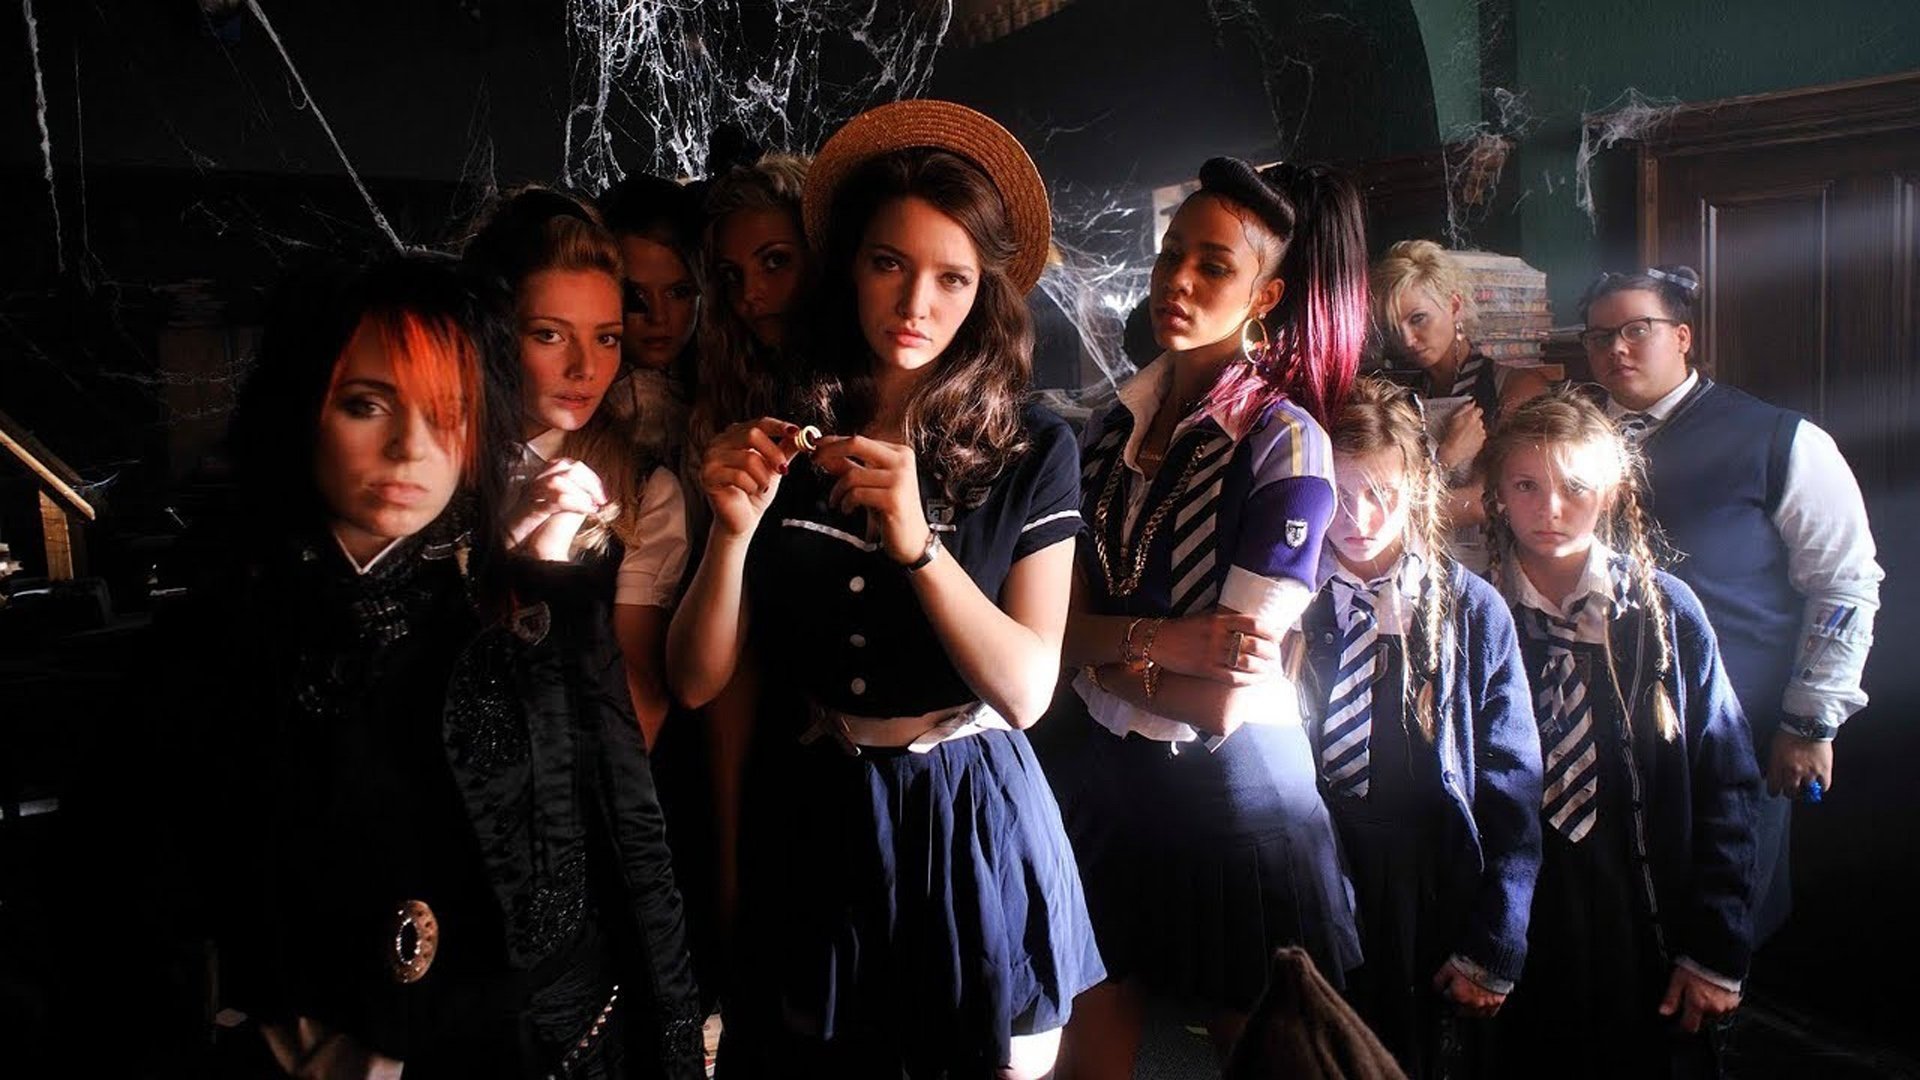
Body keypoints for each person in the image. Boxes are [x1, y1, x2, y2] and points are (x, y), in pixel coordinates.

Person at [169, 252, 704, 1078]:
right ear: (304, 407)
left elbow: (638, 860)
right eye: (366, 404)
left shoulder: (540, 613)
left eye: (448, 413)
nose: (411, 448)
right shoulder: (214, 643)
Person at [666, 100, 1102, 1079]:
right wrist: (730, 536)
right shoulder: (787, 430)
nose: (915, 303)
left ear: (985, 291)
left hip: (968, 815)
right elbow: (694, 682)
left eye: (952, 277)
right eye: (887, 264)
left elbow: (1028, 691)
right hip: (814, 809)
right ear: (850, 269)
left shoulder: (1035, 447)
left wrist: (920, 546)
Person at [1042, 155, 1369, 1077]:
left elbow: (1222, 697)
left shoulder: (1287, 443)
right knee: (1088, 1054)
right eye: (1169, 254)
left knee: (1268, 1058)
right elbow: (1049, 631)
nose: (1177, 280)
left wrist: (1094, 655)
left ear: (1264, 297)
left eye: (1214, 265)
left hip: (1236, 795)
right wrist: (1157, 645)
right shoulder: (1107, 428)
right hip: (1108, 781)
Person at [1579, 265, 1882, 942]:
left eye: (1636, 330)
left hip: (1735, 724)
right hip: (1602, 724)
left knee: (1724, 919)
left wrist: (1810, 722)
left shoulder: (1781, 440)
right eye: (1599, 337)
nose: (1616, 348)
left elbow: (1844, 584)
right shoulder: (1578, 440)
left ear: (1682, 336)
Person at [1480, 390, 1762, 1078]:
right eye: (1526, 485)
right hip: (1522, 915)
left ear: (1609, 491)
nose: (1550, 508)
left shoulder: (1665, 613)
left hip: (1644, 911)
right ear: (1497, 495)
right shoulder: (1474, 614)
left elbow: (1727, 782)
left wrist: (1715, 949)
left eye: (1575, 486)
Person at [1300, 376, 1541, 1076]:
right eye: (1339, 494)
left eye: (1383, 492)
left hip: (1427, 881)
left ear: (1420, 489)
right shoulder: (1290, 601)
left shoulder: (1472, 610)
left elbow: (1513, 790)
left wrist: (1496, 938)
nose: (1360, 517)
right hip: (1321, 866)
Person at [463, 187, 690, 750]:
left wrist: (554, 571)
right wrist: (508, 541)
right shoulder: (434, 465)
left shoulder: (644, 491)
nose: (585, 367)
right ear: (496, 333)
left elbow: (641, 715)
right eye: (550, 334)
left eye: (606, 338)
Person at [599, 172, 705, 467]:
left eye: (678, 292)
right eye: (636, 294)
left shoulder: (722, 375)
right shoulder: (598, 400)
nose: (657, 317)